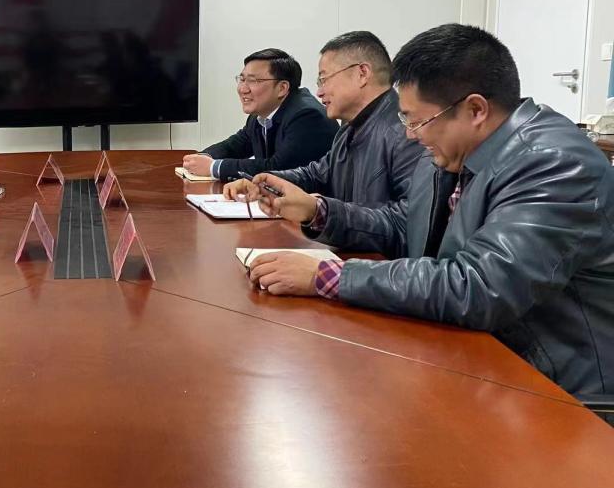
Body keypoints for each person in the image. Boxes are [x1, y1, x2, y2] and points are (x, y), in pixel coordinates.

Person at [242, 24, 614, 399]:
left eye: (416, 120)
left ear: (475, 110)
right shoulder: (453, 152)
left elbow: (481, 286)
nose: (409, 134)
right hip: (477, 355)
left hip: (560, 393)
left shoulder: (554, 163)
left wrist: (330, 277)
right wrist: (319, 211)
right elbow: (403, 225)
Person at [223, 32, 421, 218]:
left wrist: (321, 213)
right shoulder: (350, 128)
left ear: (362, 73)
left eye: (324, 79)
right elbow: (316, 174)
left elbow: (406, 223)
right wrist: (263, 182)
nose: (319, 92)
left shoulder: (406, 132)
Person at [182, 48, 337, 181]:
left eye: (253, 81)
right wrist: (203, 157)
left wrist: (213, 167)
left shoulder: (306, 116)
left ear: (282, 88)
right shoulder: (261, 113)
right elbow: (236, 145)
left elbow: (278, 168)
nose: (243, 89)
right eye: (242, 79)